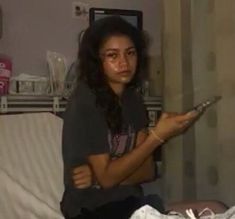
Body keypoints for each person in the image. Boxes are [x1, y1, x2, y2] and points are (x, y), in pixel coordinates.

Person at [60, 16, 199, 219]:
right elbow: (109, 177)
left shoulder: (132, 100)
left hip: (131, 203)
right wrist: (157, 137)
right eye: (112, 55)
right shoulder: (85, 101)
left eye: (130, 53)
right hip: (91, 210)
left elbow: (148, 171)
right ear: (97, 61)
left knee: (216, 208)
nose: (124, 62)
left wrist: (100, 178)